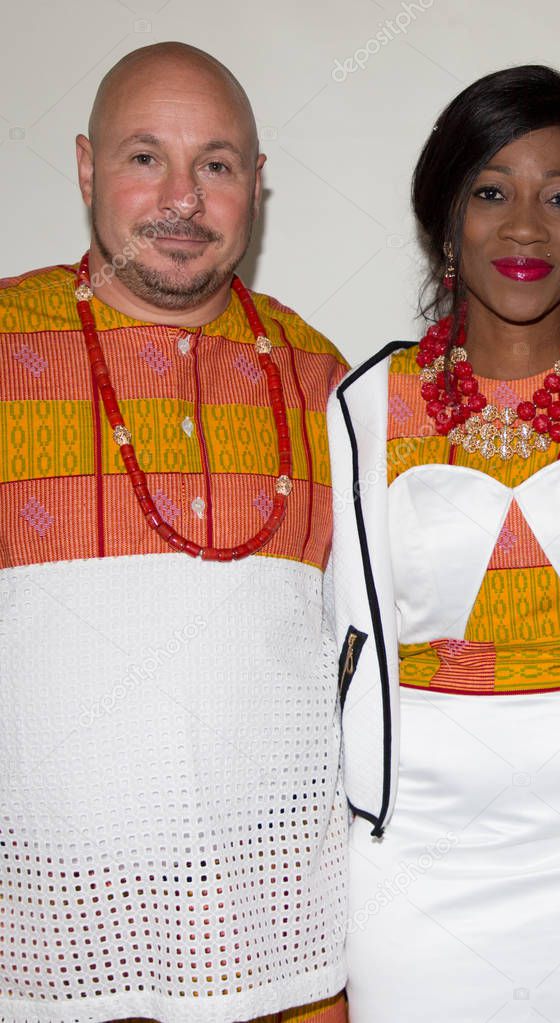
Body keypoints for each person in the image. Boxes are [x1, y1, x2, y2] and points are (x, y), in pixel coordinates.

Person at [0, 42, 349, 1023]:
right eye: (145, 156)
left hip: (282, 951)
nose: (182, 199)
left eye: (218, 164)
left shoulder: (325, 381)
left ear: (257, 184)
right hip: (44, 958)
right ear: (84, 168)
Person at [328, 65, 560, 1021]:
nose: (526, 226)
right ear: (446, 216)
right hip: (423, 856)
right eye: (492, 191)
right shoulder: (364, 408)